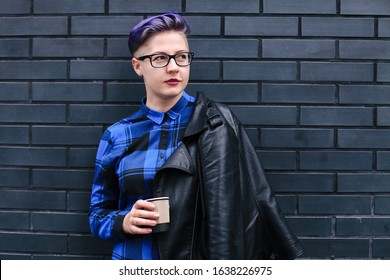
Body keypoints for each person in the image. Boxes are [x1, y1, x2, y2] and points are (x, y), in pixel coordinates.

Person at [89, 12, 303, 260]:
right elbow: (97, 214)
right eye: (160, 58)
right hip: (132, 262)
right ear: (138, 66)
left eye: (181, 57)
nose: (173, 67)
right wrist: (123, 221)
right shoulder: (117, 135)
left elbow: (248, 205)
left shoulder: (215, 123)